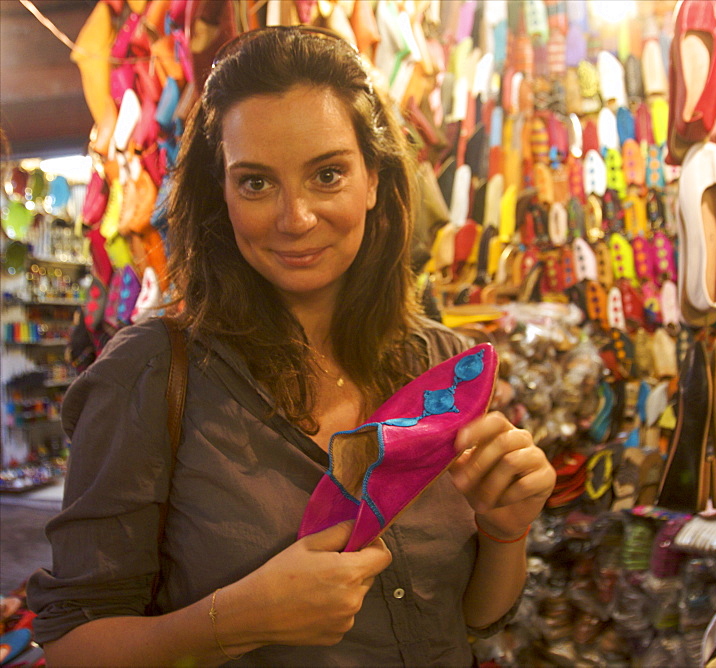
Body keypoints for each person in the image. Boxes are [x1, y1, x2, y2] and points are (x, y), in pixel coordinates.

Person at [27, 26, 555, 666]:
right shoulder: (150, 373)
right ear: (220, 195)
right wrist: (229, 622)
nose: (295, 218)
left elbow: (472, 619)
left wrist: (506, 531)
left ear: (375, 182)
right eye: (256, 183)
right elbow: (70, 647)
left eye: (327, 174)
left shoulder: (443, 367)